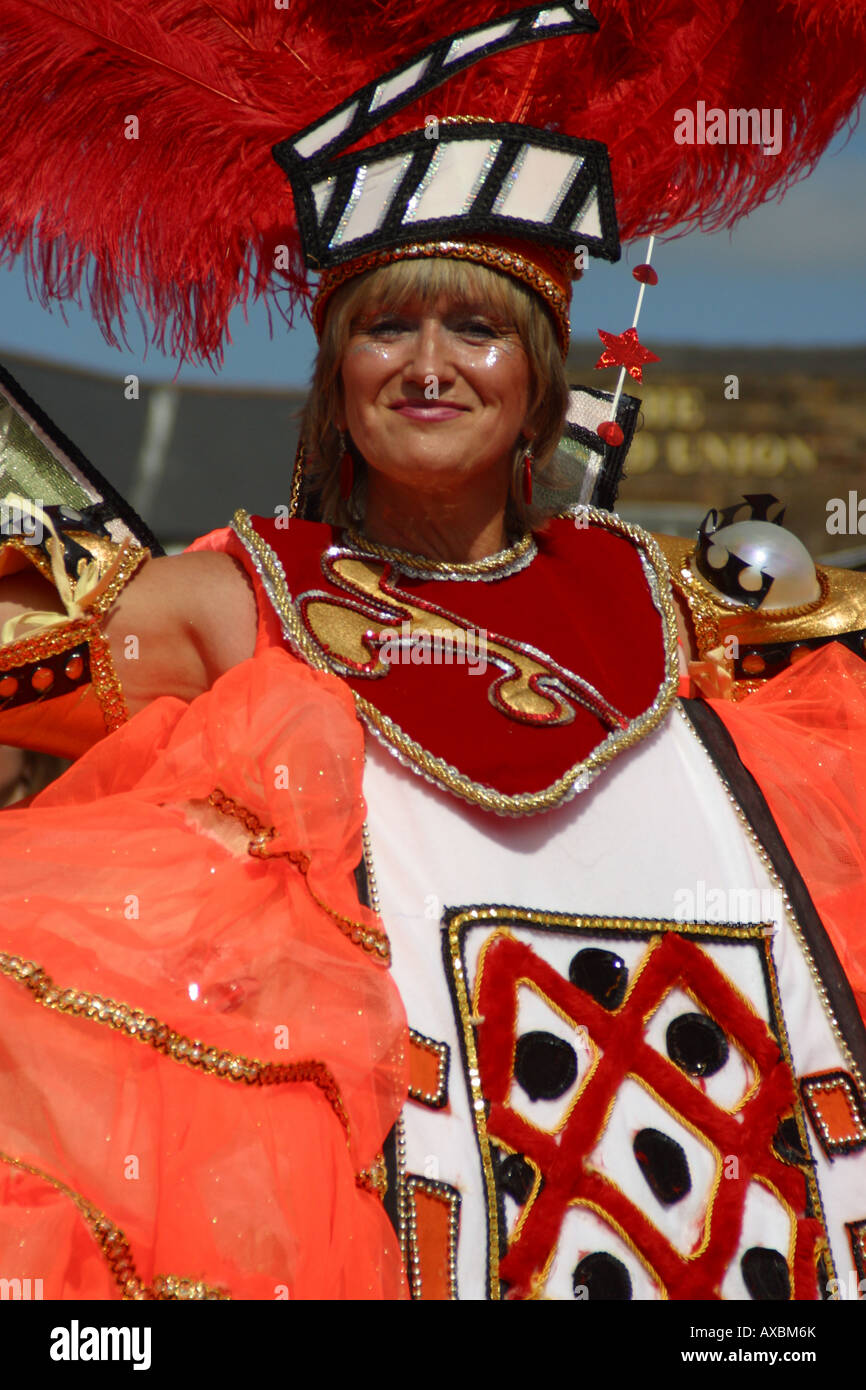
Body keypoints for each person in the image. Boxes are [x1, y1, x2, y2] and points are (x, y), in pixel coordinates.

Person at [1, 1, 865, 1303]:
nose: (427, 366)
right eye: (385, 328)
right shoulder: (242, 599)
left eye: (475, 329)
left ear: (533, 374)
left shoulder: (677, 609)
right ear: (335, 370)